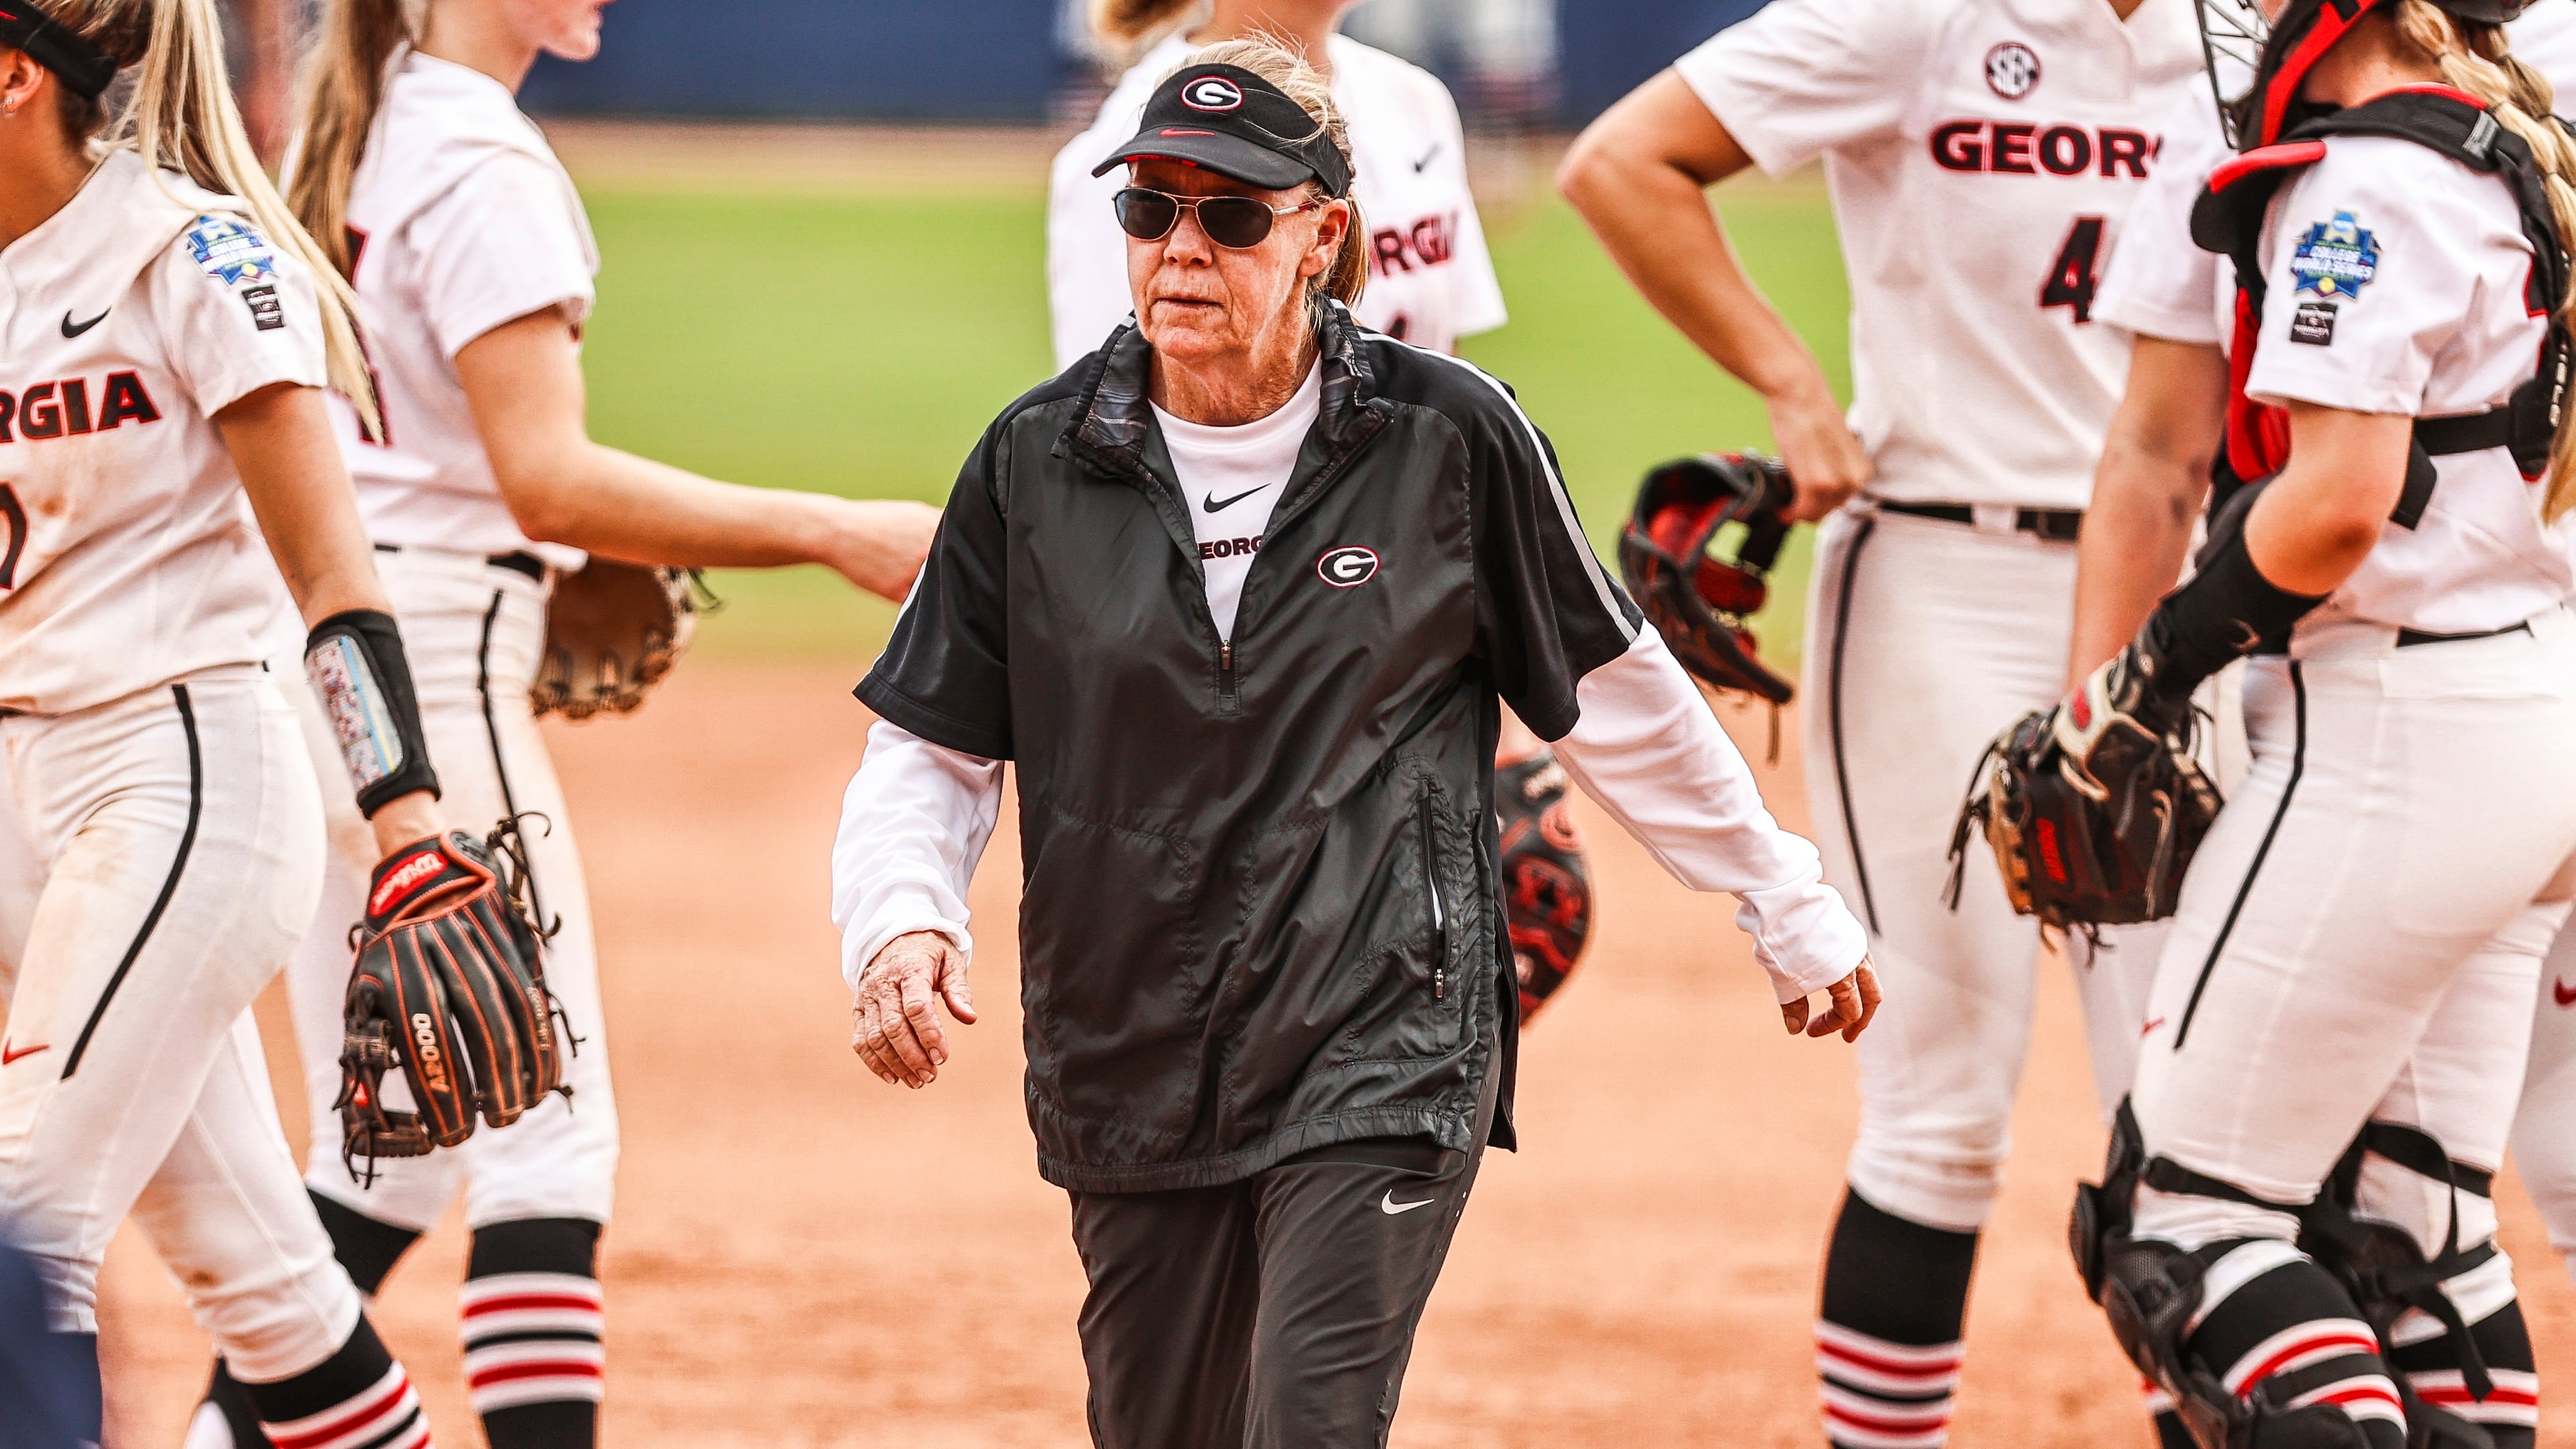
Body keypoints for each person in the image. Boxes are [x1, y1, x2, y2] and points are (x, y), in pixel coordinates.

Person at [835, 44, 1878, 1449]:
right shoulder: (1035, 463)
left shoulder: (1445, 438)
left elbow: (1618, 691)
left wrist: (1783, 896)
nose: (1182, 250)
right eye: (1150, 211)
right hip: (1128, 1039)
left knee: (1313, 1428)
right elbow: (935, 743)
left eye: (1233, 214)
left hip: (1379, 1028)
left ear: (1325, 233)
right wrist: (901, 920)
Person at [184, 1, 941, 1445]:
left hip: (327, 665)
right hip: (432, 684)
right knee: (549, 1143)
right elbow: (543, 480)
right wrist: (835, 528)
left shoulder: (380, 120)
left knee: (388, 1158)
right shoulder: (481, 160)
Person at [1558, 3, 2204, 1445]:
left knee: (2188, 1119)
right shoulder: (1916, 13)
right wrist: (1793, 388)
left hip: (2179, 598)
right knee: (1940, 1109)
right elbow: (1621, 162)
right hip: (1939, 582)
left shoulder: (2248, 25)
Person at [2044, 0, 2576, 1442]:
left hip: (2400, 733)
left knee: (2181, 1226)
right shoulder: (2505, 150)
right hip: (2529, 716)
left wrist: (2149, 674)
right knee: (2413, 1231)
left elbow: (2337, 500)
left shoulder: (2363, 179)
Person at [0, 0, 474, 1444]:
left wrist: (409, 820)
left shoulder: (194, 258)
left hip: (176, 785)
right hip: (27, 804)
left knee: (23, 1231)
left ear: (15, 73)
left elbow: (335, 582)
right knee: (265, 1290)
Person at [1051, 0, 1598, 1022]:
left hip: (1405, 643)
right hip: (1252, 686)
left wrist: (1501, 702)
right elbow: (1121, 468)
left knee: (1410, 1061)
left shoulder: (1411, 104)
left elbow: (1449, 419)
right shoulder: (1136, 148)